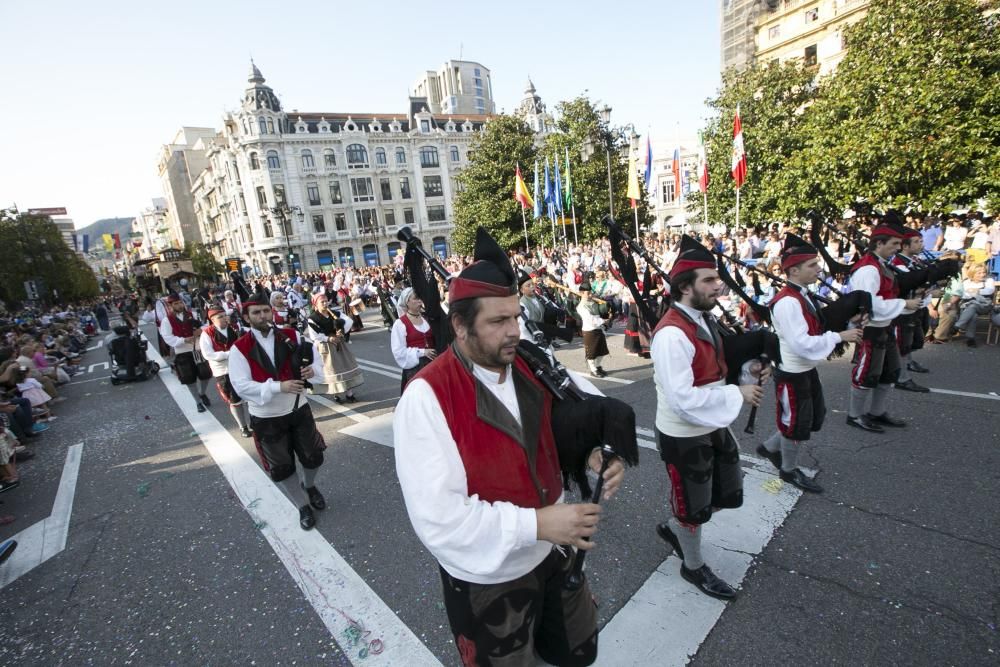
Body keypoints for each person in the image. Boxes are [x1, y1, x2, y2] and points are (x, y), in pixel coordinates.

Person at [394, 228, 624, 667]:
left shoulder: (526, 363)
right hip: (489, 577)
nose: (515, 331)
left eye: (516, 317)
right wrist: (536, 524)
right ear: (459, 326)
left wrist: (592, 454)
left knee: (574, 652)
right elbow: (440, 522)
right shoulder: (426, 398)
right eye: (499, 322)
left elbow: (566, 421)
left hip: (552, 552)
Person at [650, 235, 769, 600]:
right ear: (685, 287)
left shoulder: (701, 318)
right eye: (709, 280)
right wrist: (738, 393)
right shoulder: (672, 334)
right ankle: (693, 565)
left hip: (714, 424)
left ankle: (678, 528)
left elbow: (716, 368)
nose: (718, 286)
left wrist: (748, 370)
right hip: (684, 433)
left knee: (725, 493)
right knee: (694, 507)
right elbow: (683, 399)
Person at [757, 234, 863, 493]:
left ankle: (770, 447)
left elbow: (817, 327)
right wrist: (840, 336)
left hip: (805, 369)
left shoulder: (802, 295)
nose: (819, 269)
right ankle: (788, 469)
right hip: (792, 372)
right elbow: (801, 343)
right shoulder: (787, 302)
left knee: (813, 417)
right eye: (812, 265)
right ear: (794, 270)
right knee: (796, 423)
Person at [228, 298, 328, 531]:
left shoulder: (292, 336)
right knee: (282, 466)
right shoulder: (239, 348)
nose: (263, 316)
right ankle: (302, 505)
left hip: (298, 409)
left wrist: (312, 371)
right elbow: (240, 386)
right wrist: (277, 387)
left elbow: (319, 364)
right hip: (266, 417)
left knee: (314, 457)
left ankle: (309, 485)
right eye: (256, 313)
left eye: (266, 311)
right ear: (246, 317)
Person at [845, 220, 922, 433]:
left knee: (890, 371)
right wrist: (904, 303)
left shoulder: (879, 264)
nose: (898, 248)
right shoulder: (868, 269)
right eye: (894, 243)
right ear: (879, 243)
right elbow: (869, 304)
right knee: (867, 373)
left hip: (884, 326)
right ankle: (854, 415)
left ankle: (876, 412)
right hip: (871, 328)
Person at [199, 307, 252, 437]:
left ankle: (255, 422)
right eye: (220, 317)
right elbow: (208, 354)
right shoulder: (206, 334)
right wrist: (229, 354)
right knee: (234, 400)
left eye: (224, 315)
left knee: (250, 396)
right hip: (223, 371)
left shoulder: (235, 328)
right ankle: (243, 427)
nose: (224, 318)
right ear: (212, 320)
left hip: (241, 367)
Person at [891, 228, 931, 391]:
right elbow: (906, 286)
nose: (921, 244)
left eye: (921, 241)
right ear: (905, 245)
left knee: (913, 340)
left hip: (915, 306)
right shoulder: (898, 263)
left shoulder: (914, 260)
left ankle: (907, 362)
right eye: (917, 241)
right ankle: (902, 377)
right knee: (902, 343)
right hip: (902, 309)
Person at [305, 293, 363, 403]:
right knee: (332, 370)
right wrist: (328, 338)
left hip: (339, 343)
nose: (325, 303)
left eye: (326, 301)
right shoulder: (313, 318)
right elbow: (314, 335)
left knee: (345, 366)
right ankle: (336, 395)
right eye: (322, 302)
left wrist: (341, 331)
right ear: (316, 305)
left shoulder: (335, 313)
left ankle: (349, 394)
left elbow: (348, 322)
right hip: (326, 346)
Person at [159, 294, 211, 412]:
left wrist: (201, 330)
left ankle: (202, 393)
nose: (179, 305)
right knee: (188, 378)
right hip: (182, 352)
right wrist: (183, 340)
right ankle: (198, 402)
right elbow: (167, 337)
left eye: (180, 302)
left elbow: (205, 325)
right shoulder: (167, 320)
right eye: (176, 303)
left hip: (197, 348)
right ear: (171, 306)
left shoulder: (192, 313)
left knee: (206, 374)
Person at [389, 287, 436, 393]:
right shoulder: (400, 324)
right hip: (416, 369)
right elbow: (399, 352)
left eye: (420, 298)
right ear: (407, 302)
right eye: (416, 298)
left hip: (435, 366)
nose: (419, 300)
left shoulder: (427, 318)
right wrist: (422, 352)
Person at [576, 281, 609, 378]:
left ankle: (598, 366)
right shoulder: (581, 306)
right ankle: (593, 369)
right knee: (592, 353)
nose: (590, 295)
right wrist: (603, 321)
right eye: (588, 293)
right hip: (589, 330)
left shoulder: (594, 302)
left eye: (591, 293)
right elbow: (590, 319)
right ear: (582, 293)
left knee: (602, 351)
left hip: (598, 329)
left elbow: (600, 312)